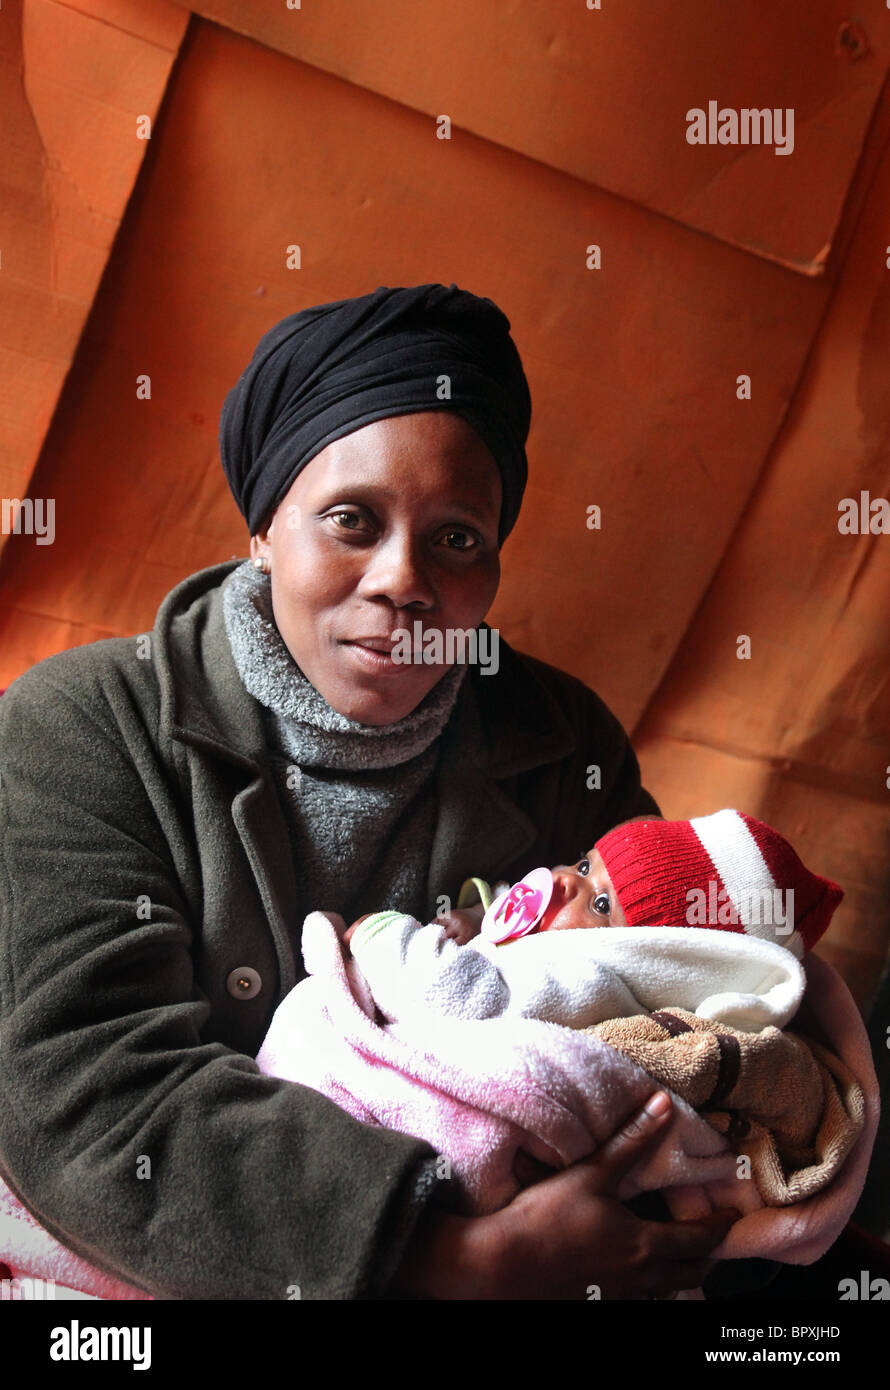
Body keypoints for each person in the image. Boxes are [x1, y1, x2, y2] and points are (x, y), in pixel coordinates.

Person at [0, 282, 738, 1300]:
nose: (403, 579)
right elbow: (86, 1094)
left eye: (457, 537)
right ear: (261, 528)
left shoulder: (562, 744)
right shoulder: (82, 727)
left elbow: (667, 1006)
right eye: (351, 520)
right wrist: (446, 1260)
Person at [342, 808, 843, 1032]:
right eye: (584, 864)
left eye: (601, 905)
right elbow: (511, 910)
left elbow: (463, 997)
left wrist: (384, 937)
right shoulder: (563, 934)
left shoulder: (589, 988)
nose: (563, 881)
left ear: (642, 960)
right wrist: (478, 915)